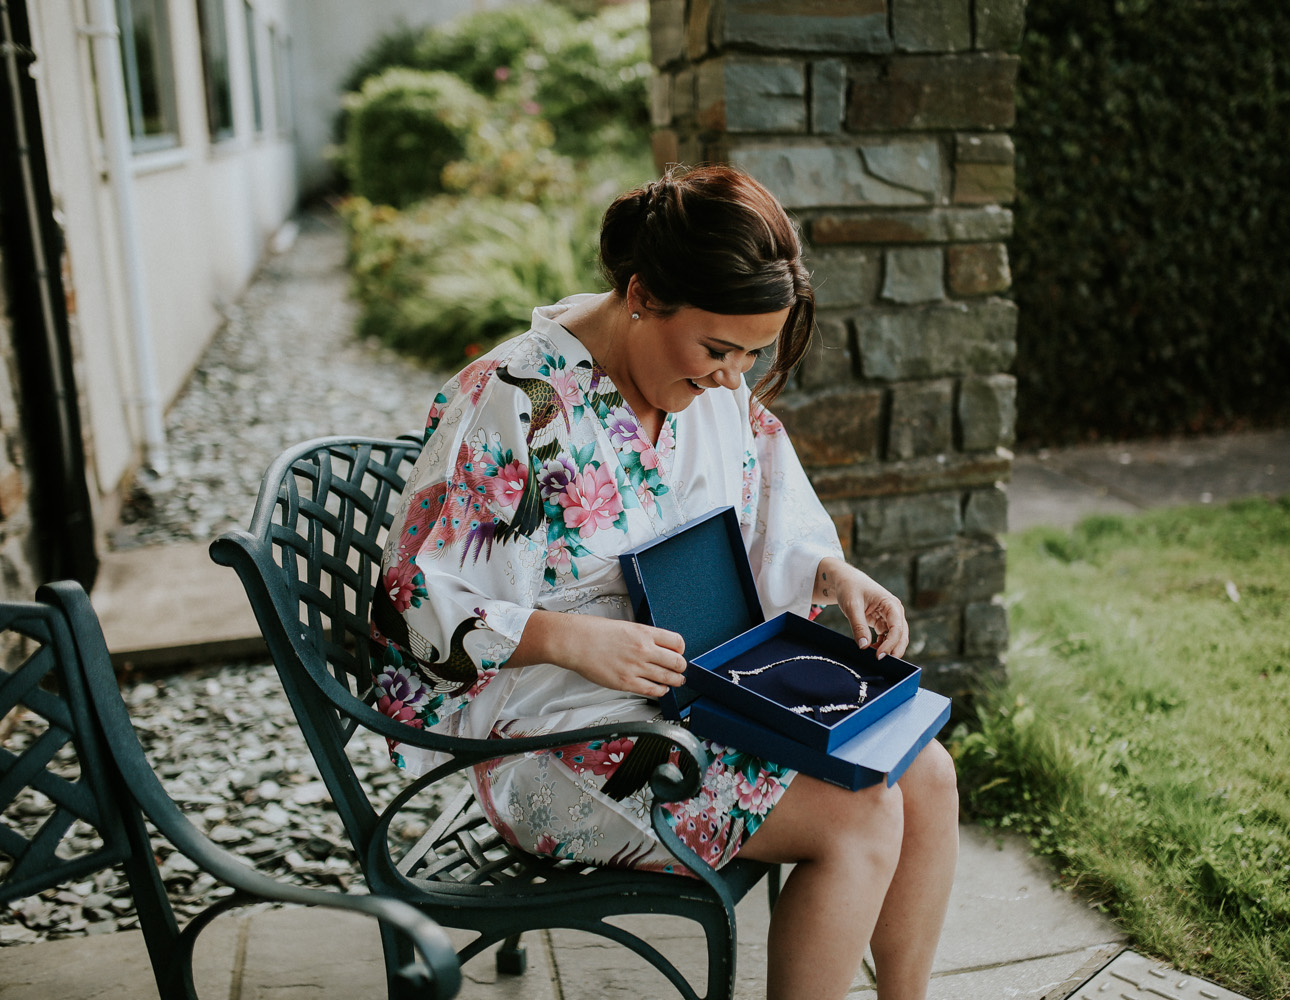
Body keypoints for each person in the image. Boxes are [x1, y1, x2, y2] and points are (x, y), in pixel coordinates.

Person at [372, 164, 958, 1000]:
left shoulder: (711, 384)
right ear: (642, 294)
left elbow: (767, 509)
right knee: (858, 813)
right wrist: (569, 638)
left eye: (752, 355)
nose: (733, 379)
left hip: (691, 690)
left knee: (926, 774)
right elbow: (418, 607)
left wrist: (831, 570)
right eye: (720, 350)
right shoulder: (511, 402)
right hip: (548, 729)